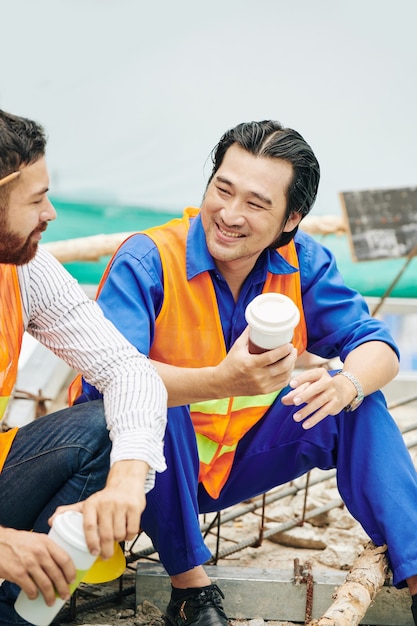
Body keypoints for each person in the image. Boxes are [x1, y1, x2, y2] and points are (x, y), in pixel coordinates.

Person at [77, 120, 417, 626]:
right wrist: (222, 380)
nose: (229, 215)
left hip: (234, 462)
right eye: (222, 189)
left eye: (256, 204)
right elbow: (110, 382)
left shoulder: (302, 263)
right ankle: (190, 589)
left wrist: (345, 383)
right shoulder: (149, 259)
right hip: (134, 470)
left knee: (357, 401)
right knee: (147, 391)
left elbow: (378, 346)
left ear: (290, 218)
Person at [0, 108, 167, 625]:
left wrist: (126, 479)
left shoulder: (20, 269)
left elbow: (127, 370)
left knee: (104, 427)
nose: (50, 212)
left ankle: (17, 609)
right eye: (35, 198)